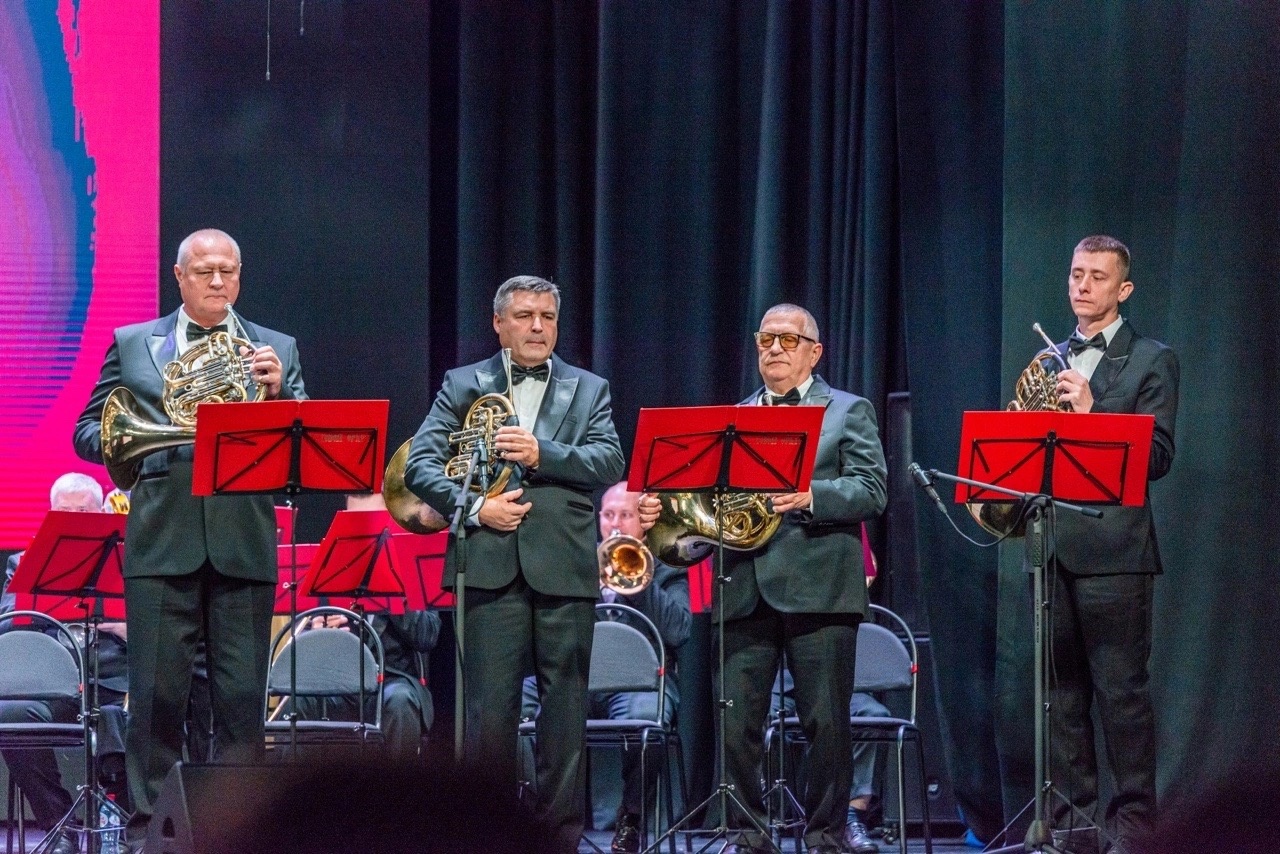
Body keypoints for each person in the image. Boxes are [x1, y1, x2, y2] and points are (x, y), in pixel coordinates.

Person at [72, 228, 306, 849]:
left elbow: (300, 449)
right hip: (161, 541)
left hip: (243, 543)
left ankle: (239, 831)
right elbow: (89, 431)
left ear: (240, 275)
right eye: (204, 271)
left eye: (228, 270)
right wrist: (139, 443)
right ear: (179, 276)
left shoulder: (276, 348)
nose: (217, 281)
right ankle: (148, 833)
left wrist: (280, 394)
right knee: (155, 701)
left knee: (241, 704)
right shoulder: (133, 342)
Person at [652, 303, 887, 854]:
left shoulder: (847, 410)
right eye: (766, 339)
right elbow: (704, 506)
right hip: (742, 587)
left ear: (815, 351)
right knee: (736, 726)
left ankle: (826, 836)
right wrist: (667, 517)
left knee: (826, 725)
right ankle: (748, 837)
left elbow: (872, 489)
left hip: (820, 589)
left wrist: (811, 496)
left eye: (788, 339)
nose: (775, 348)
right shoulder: (730, 419)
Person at [403, 275, 625, 853]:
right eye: (524, 316)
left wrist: (542, 452)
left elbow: (610, 460)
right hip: (488, 562)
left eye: (547, 316)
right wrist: (478, 508)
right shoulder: (463, 384)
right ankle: (491, 838)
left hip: (564, 566)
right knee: (490, 715)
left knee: (565, 710)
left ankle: (559, 838)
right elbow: (419, 465)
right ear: (499, 324)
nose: (537, 327)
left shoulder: (589, 388)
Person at [1044, 236, 1178, 854]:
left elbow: (1158, 457)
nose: (1082, 285)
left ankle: (1135, 831)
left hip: (1116, 556)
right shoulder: (1048, 359)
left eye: (1097, 277)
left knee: (1121, 698)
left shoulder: (1151, 359)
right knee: (1061, 699)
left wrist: (1093, 413)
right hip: (1053, 549)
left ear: (1123, 290)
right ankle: (1074, 828)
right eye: (1077, 273)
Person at [520, 482, 691, 853]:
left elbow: (679, 630)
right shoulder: (576, 562)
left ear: (644, 521)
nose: (615, 524)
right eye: (608, 515)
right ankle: (534, 818)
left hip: (636, 687)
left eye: (626, 515)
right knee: (517, 707)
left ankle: (632, 820)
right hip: (574, 678)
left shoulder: (665, 566)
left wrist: (638, 582)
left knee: (646, 717)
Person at [0, 473, 129, 854]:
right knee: (12, 716)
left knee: (137, 717)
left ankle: (121, 826)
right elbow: (8, 621)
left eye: (83, 511)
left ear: (102, 513)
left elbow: (164, 626)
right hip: (54, 684)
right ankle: (60, 827)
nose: (73, 519)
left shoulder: (129, 561)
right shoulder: (25, 562)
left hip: (116, 682)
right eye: (64, 511)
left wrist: (127, 627)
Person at [290, 493, 443, 757]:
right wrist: (316, 633)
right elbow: (301, 636)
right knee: (298, 701)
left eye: (371, 524)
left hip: (392, 683)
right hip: (337, 684)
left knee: (401, 702)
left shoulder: (412, 563)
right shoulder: (330, 564)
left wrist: (392, 590)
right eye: (354, 524)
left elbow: (427, 636)